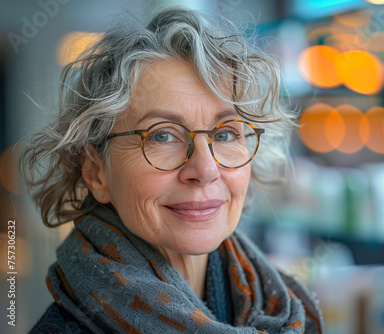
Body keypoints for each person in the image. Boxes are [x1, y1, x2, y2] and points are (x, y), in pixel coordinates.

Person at [21, 7, 323, 333]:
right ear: (96, 172)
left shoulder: (279, 306)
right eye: (162, 135)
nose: (205, 169)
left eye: (225, 134)